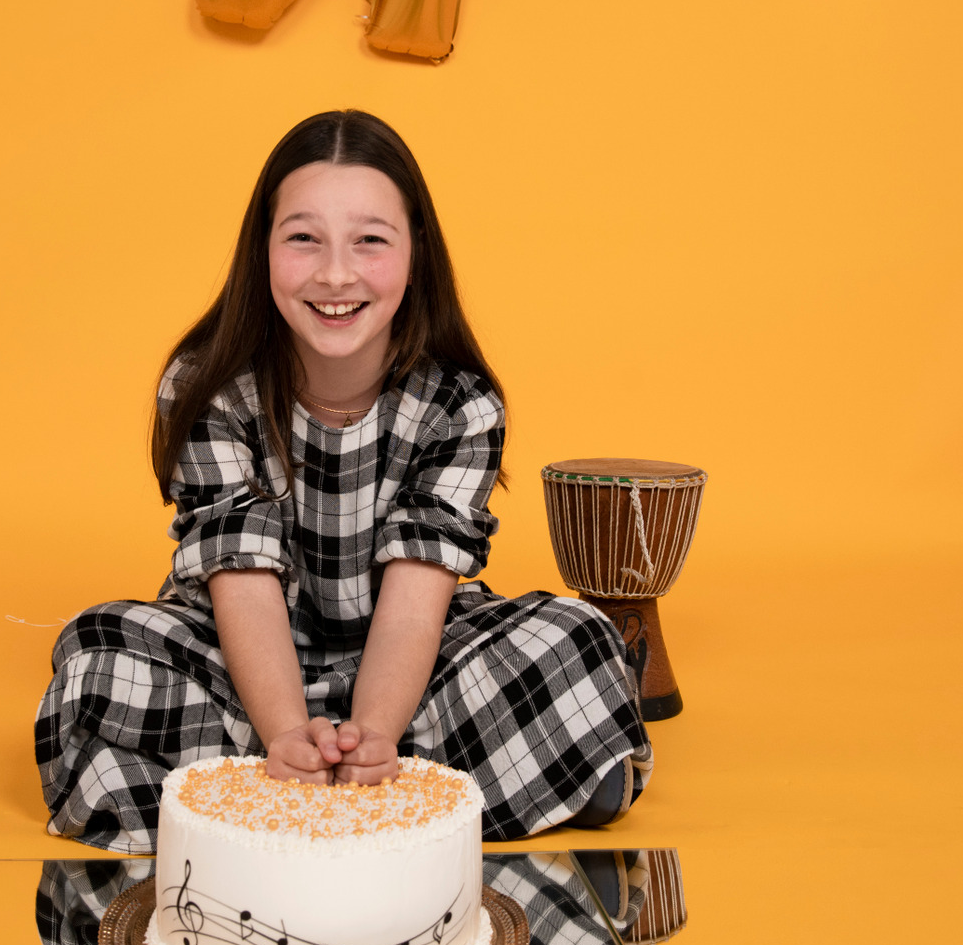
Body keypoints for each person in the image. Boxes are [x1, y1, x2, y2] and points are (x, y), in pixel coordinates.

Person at [34, 109, 651, 854]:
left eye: (370, 240)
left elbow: (415, 607)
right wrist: (286, 733)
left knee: (578, 637)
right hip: (240, 656)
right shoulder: (207, 388)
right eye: (303, 238)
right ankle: (389, 786)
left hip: (409, 657)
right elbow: (242, 589)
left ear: (416, 252)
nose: (335, 274)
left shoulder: (460, 404)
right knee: (97, 655)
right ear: (262, 250)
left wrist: (375, 733)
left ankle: (298, 788)